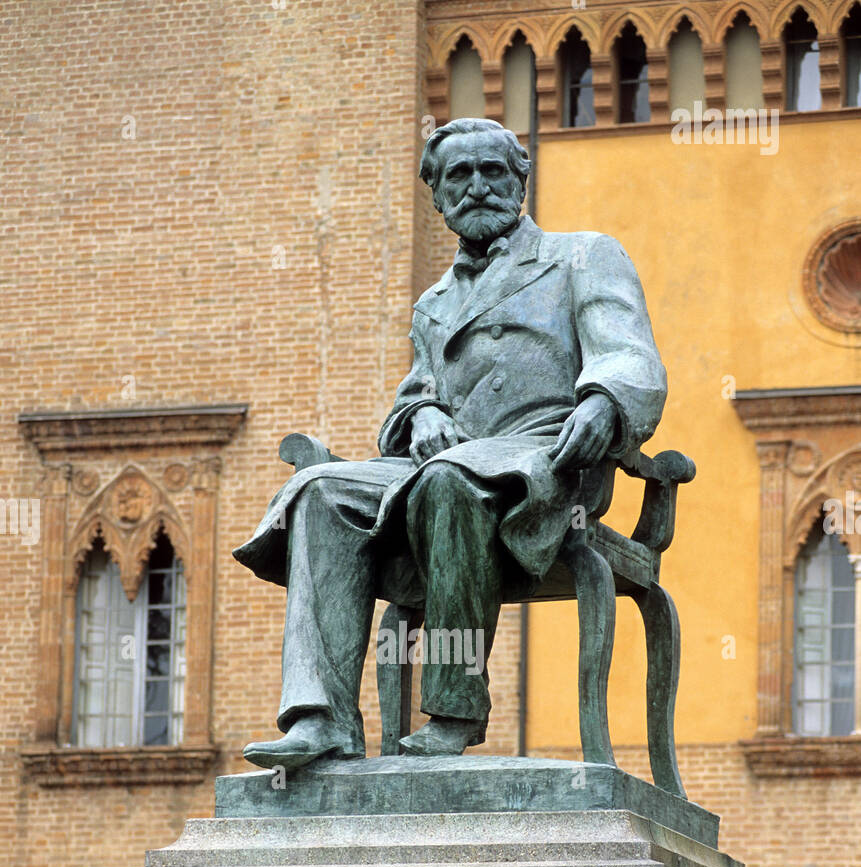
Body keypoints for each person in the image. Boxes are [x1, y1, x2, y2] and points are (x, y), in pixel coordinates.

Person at [234, 117, 667, 771]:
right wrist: (425, 410)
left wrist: (603, 399)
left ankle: (453, 707)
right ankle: (321, 719)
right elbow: (411, 397)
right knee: (319, 489)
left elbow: (630, 358)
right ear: (435, 196)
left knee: (449, 481)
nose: (476, 187)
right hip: (445, 462)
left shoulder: (580, 255)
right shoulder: (434, 302)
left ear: (520, 180)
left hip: (546, 463)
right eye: (457, 175)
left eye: (492, 171)